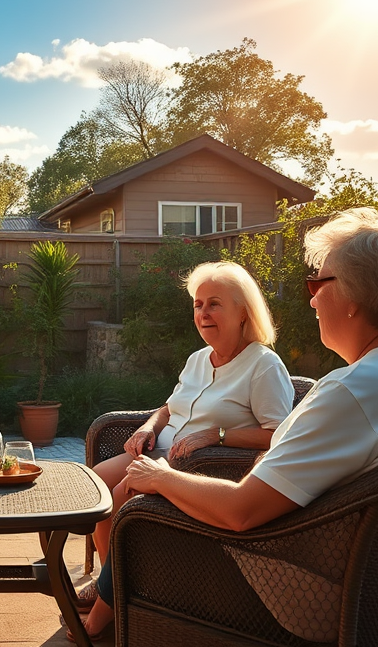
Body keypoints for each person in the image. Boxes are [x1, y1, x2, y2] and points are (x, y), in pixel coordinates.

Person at [75, 208, 378, 642]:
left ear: (353, 297)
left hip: (313, 593)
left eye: (318, 285)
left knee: (139, 516)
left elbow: (241, 512)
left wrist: (161, 477)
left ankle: (111, 614)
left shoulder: (352, 392)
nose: (311, 299)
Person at [76, 261, 293, 621]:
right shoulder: (197, 360)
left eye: (214, 304)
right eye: (198, 304)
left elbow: (279, 434)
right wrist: (148, 426)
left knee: (119, 496)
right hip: (161, 450)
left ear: (243, 312)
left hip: (200, 467)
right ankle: (112, 585)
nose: (203, 312)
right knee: (97, 483)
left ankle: (107, 606)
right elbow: (168, 407)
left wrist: (217, 435)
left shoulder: (263, 365)